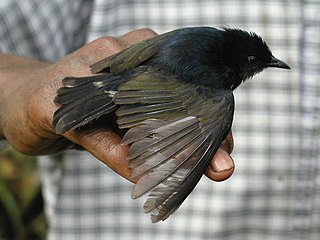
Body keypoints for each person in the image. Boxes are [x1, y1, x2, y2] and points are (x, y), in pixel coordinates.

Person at [0, 1, 319, 240]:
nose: (265, 65)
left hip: (116, 82)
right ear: (239, 60)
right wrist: (19, 91)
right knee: (217, 109)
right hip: (124, 85)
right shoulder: (217, 88)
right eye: (256, 62)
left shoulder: (205, 37)